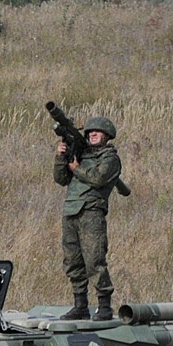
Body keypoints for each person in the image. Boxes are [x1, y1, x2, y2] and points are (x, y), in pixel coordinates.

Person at [54, 115, 121, 320]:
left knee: (94, 260)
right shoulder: (81, 155)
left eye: (97, 132)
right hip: (71, 212)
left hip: (92, 212)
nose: (92, 134)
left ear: (107, 135)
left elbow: (97, 178)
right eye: (90, 131)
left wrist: (76, 168)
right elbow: (60, 179)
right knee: (73, 261)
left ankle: (104, 305)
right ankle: (80, 304)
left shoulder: (110, 158)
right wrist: (61, 157)